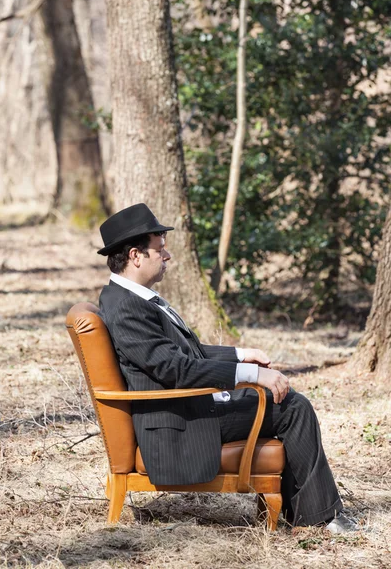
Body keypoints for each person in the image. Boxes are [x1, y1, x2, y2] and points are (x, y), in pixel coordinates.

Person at [98, 203, 356, 533]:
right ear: (136, 256)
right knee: (292, 407)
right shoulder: (126, 307)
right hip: (178, 424)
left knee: (287, 402)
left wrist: (239, 354)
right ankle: (321, 518)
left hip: (186, 407)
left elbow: (183, 353)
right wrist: (251, 375)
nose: (168, 256)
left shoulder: (133, 298)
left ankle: (306, 512)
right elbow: (177, 370)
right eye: (160, 249)